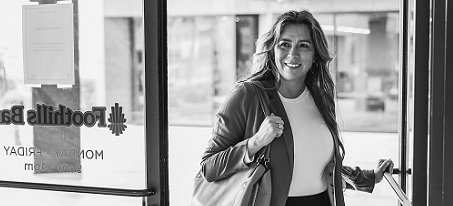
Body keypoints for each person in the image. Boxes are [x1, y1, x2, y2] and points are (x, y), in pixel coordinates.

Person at [199, 10, 394, 206]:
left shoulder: (321, 98)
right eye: (285, 44)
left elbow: (319, 167)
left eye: (304, 45)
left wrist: (370, 177)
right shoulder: (247, 95)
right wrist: (256, 142)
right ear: (273, 50)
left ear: (315, 55)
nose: (293, 54)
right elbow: (209, 167)